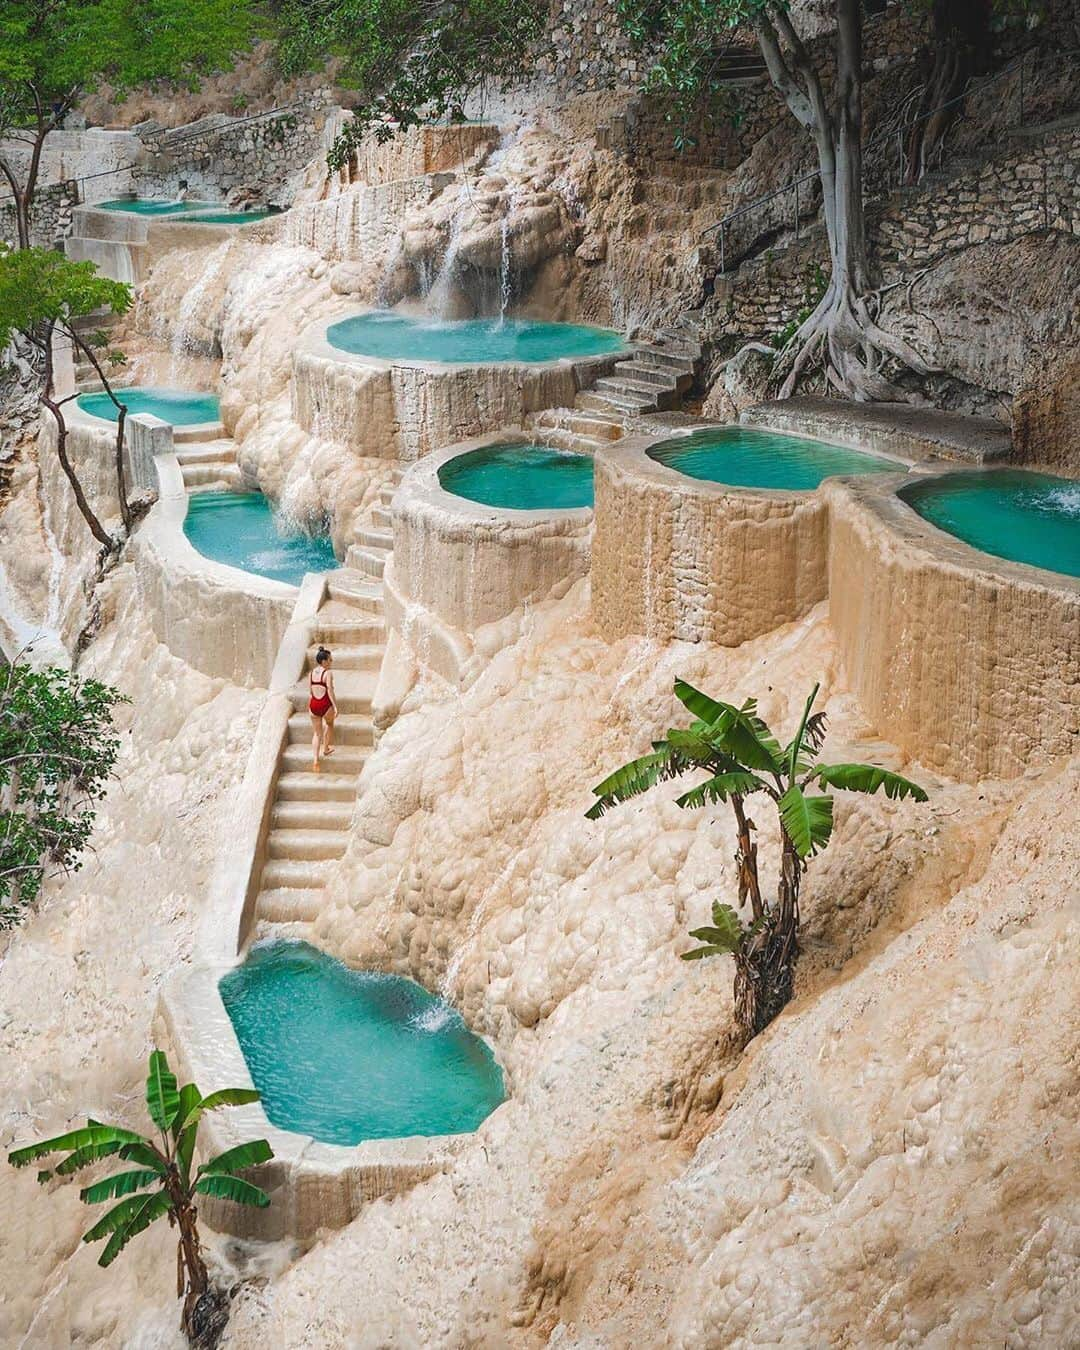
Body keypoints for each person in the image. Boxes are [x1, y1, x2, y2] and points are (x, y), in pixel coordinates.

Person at [309, 647, 337, 772]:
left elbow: (310, 690)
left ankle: (315, 759)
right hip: (325, 703)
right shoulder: (328, 673)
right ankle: (325, 749)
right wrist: (335, 706)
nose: (331, 662)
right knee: (330, 724)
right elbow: (330, 690)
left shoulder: (311, 673)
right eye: (330, 660)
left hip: (314, 704)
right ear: (324, 661)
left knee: (316, 733)